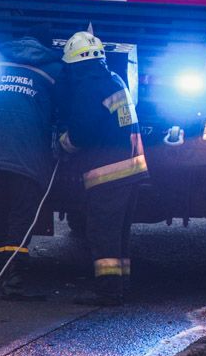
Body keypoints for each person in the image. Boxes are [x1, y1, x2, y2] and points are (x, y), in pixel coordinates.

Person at [58, 31, 148, 306]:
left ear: (74, 64)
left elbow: (82, 133)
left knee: (102, 232)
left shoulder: (88, 87)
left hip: (108, 172)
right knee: (120, 231)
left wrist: (64, 143)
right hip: (131, 167)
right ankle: (121, 285)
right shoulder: (115, 80)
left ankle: (108, 292)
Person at [0, 24, 61, 301]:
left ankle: (1, 275)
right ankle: (13, 281)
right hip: (27, 161)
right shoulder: (53, 69)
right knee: (20, 222)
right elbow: (62, 112)